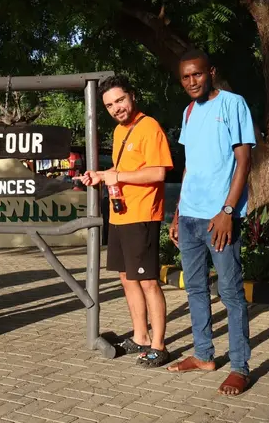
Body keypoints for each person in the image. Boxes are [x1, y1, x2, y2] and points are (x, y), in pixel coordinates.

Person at [167, 49, 256, 396]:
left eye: (198, 74)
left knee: (230, 293)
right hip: (190, 216)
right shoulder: (189, 111)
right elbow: (189, 166)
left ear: (211, 72)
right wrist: (178, 213)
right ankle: (204, 355)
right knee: (195, 289)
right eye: (186, 77)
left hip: (219, 218)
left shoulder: (233, 104)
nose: (192, 81)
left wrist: (228, 211)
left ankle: (240, 367)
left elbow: (244, 162)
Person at [80, 75, 174, 367]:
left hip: (142, 215)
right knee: (127, 278)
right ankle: (141, 337)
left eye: (120, 100)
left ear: (132, 95)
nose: (116, 108)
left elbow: (158, 172)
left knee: (147, 281)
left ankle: (159, 345)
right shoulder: (121, 131)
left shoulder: (149, 127)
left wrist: (117, 176)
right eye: (109, 105)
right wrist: (101, 175)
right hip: (120, 215)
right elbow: (123, 170)